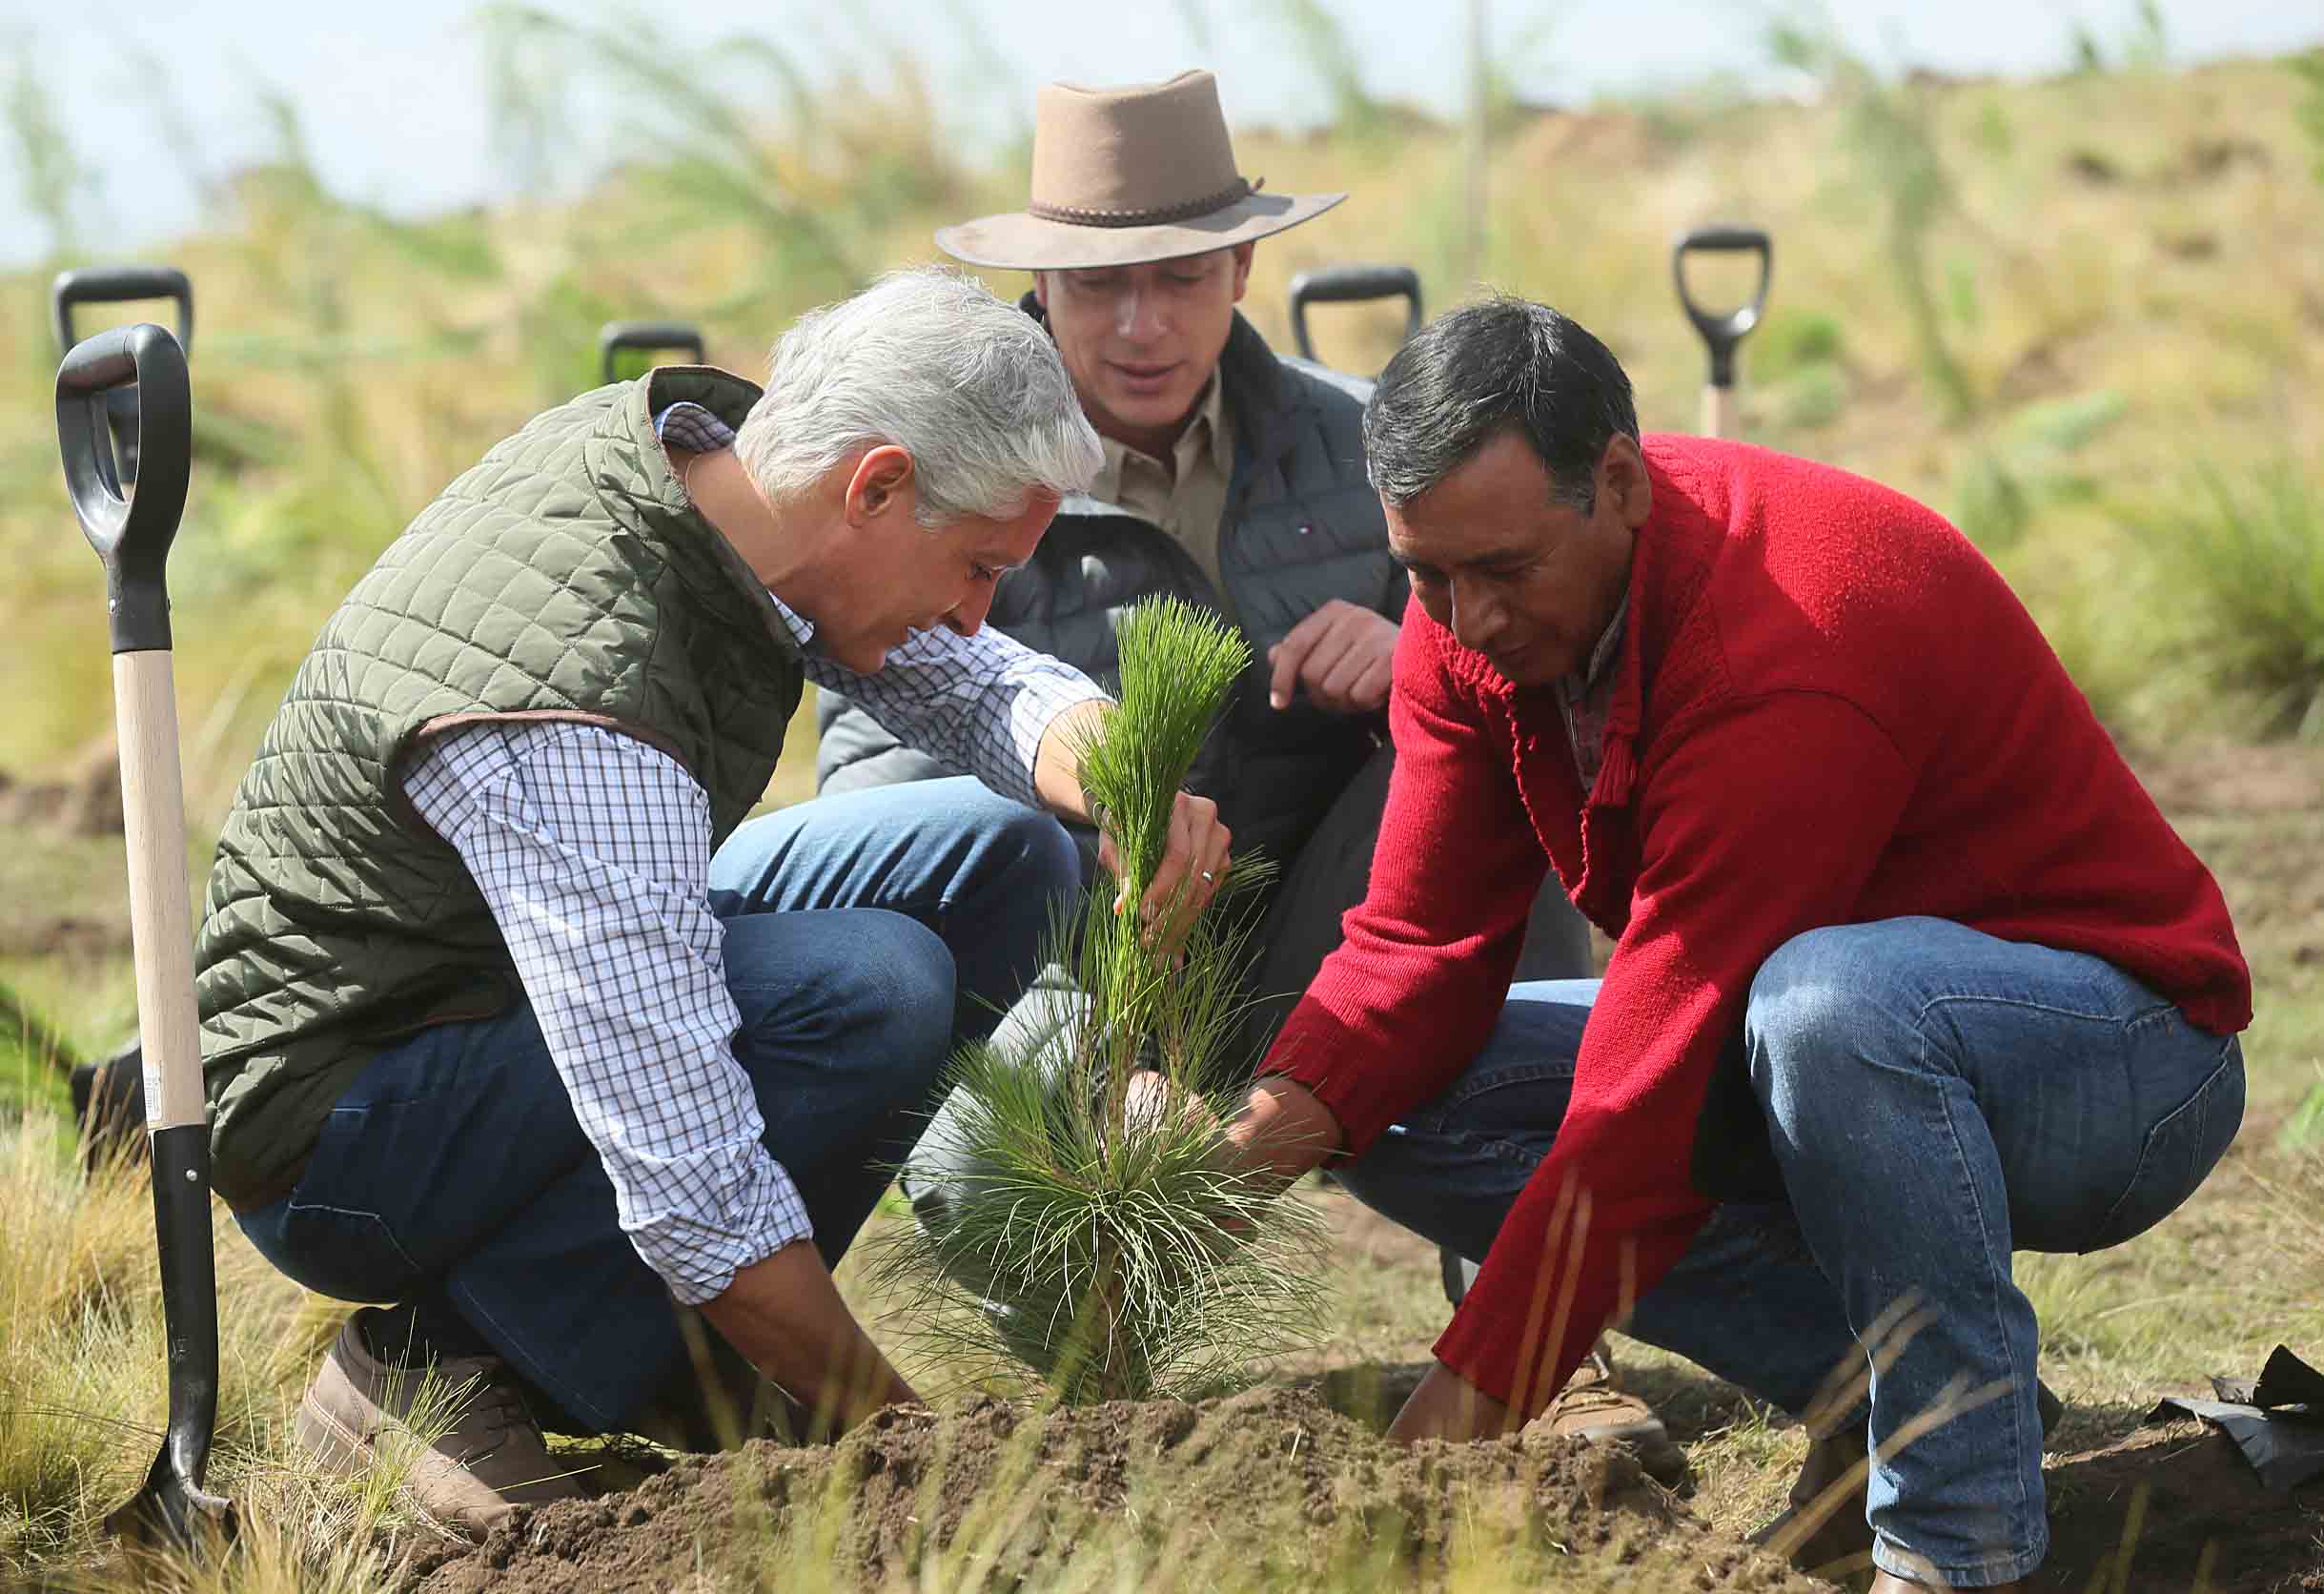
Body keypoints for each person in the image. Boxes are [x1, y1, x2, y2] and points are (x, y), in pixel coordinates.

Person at [1219, 296, 2251, 1592]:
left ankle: (1957, 1544)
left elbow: (1648, 1103)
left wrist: (1436, 1459)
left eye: (1501, 574)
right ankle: (1885, 1394)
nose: (1463, 621)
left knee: (1830, 1006)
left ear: (1614, 482)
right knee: (1410, 1104)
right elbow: (1414, 950)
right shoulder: (1470, 610)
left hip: (2119, 1064)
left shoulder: (1790, 636)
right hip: (1804, 1037)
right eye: (1425, 575)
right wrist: (1210, 1182)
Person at [192, 268, 1233, 1533]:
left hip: (487, 982)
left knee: (1000, 848)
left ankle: (675, 1360)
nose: (979, 608)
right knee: (868, 993)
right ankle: (442, 1369)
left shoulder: (724, 485)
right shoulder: (583, 703)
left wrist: (1113, 765)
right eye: (974, 565)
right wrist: (908, 1447)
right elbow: (695, 1188)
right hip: (340, 1123)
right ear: (879, 486)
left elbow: (964, 679)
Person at [811, 70, 1668, 1471]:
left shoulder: (1367, 447)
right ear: (1037, 285)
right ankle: (1109, 1402)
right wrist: (1060, 800)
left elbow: (1569, 684)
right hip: (1070, 974)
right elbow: (872, 806)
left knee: (1488, 777)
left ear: (1242, 265)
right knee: (981, 1175)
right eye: (1099, 290)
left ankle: (1544, 1343)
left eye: (1182, 277)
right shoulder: (946, 478)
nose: (1143, 327)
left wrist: (1415, 660)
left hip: (1331, 933)